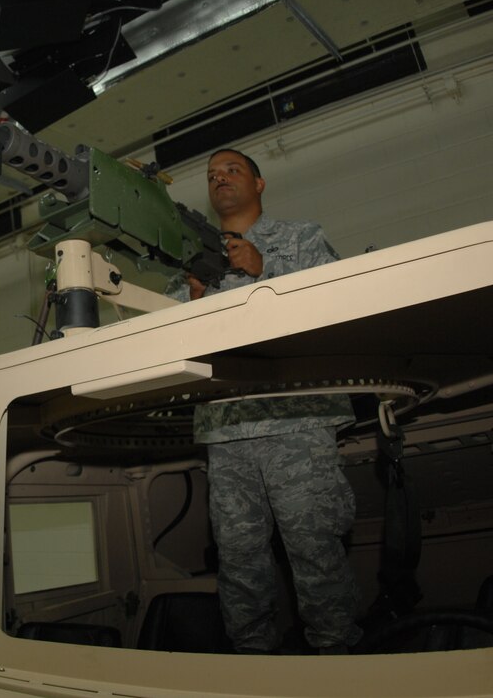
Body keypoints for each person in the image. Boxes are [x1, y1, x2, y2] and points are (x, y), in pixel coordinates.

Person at [172, 149, 362, 654]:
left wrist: (267, 266)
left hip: (296, 418)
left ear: (259, 183)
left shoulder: (300, 240)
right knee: (237, 561)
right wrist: (189, 300)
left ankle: (338, 661)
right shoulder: (188, 264)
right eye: (212, 174)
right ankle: (254, 665)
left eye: (232, 170)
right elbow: (168, 344)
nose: (220, 178)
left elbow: (342, 306)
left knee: (316, 552)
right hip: (226, 429)